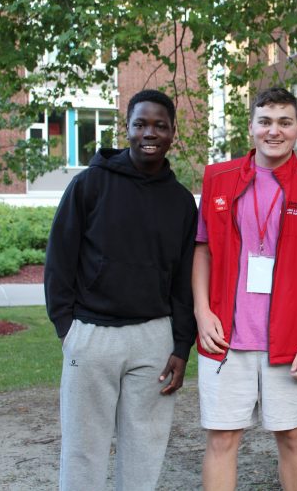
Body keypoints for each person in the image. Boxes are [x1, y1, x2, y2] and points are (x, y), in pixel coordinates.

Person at [44, 89, 198, 490]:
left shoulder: (181, 202)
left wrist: (182, 346)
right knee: (84, 448)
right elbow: (59, 258)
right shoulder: (90, 185)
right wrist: (68, 329)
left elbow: (185, 281)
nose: (150, 132)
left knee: (145, 447)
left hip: (154, 340)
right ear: (126, 129)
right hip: (92, 335)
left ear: (172, 132)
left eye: (159, 125)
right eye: (141, 124)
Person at [193, 87, 297, 489]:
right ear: (251, 127)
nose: (274, 131)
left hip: (291, 340)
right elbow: (201, 251)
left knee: (293, 437)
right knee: (222, 438)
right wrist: (202, 312)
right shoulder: (217, 179)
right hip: (225, 337)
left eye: (284, 122)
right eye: (266, 121)